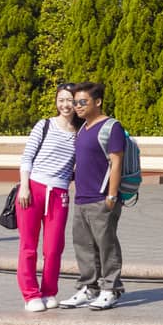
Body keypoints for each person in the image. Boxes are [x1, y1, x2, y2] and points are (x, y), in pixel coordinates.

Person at [58, 83, 127, 311]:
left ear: (97, 102)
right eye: (76, 102)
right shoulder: (83, 128)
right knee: (84, 246)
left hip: (101, 198)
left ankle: (111, 289)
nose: (77, 106)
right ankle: (89, 287)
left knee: (106, 245)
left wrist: (112, 195)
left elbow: (116, 162)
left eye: (82, 102)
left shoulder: (111, 127)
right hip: (82, 197)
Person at [16, 84, 79, 312]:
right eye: (61, 99)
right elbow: (27, 158)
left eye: (70, 100)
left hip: (59, 193)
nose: (65, 105)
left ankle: (49, 291)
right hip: (33, 189)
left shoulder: (80, 133)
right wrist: (25, 187)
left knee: (54, 247)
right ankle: (30, 294)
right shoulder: (44, 125)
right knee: (29, 246)